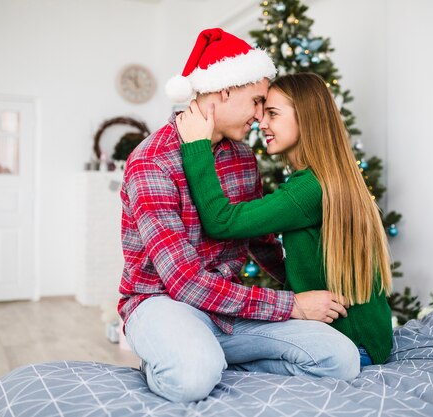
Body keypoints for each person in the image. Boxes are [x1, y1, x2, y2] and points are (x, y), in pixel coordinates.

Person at [118, 28, 359, 404]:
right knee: (192, 376)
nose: (261, 116)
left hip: (228, 309)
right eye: (258, 101)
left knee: (340, 359)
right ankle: (180, 359)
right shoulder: (152, 161)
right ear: (225, 90)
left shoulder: (242, 157)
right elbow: (184, 282)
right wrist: (292, 305)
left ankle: (214, 360)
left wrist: (310, 285)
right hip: (163, 303)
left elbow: (261, 241)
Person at [176, 72, 394, 370]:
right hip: (373, 341)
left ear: (306, 119)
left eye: (273, 114)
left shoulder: (308, 189)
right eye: (263, 113)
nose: (262, 123)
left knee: (229, 360)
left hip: (352, 347)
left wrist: (196, 146)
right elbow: (294, 256)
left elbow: (221, 222)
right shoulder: (328, 179)